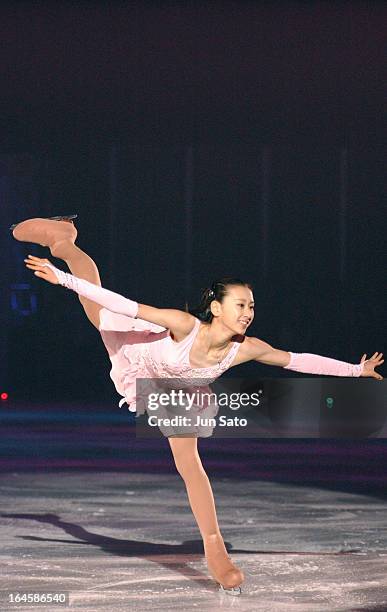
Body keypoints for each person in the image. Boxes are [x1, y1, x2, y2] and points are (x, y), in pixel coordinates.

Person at [12, 216, 384, 594]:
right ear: (217, 308)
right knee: (92, 297)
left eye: (252, 305)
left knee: (190, 465)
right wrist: (63, 279)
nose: (248, 312)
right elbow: (126, 305)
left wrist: (356, 370)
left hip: (180, 389)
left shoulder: (246, 348)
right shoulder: (184, 324)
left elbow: (296, 359)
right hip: (141, 350)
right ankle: (64, 241)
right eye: (240, 304)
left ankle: (215, 549)